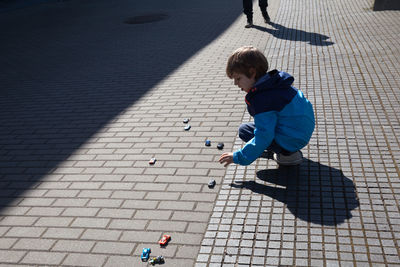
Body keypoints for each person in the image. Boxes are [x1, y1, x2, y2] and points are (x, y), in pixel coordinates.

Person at [219, 46, 315, 167]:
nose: (236, 83)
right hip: (300, 131)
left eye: (238, 78)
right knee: (245, 128)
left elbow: (264, 135)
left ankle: (289, 155)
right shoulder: (274, 82)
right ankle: (285, 148)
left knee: (247, 133)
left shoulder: (263, 99)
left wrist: (239, 156)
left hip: (293, 138)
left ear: (252, 72)